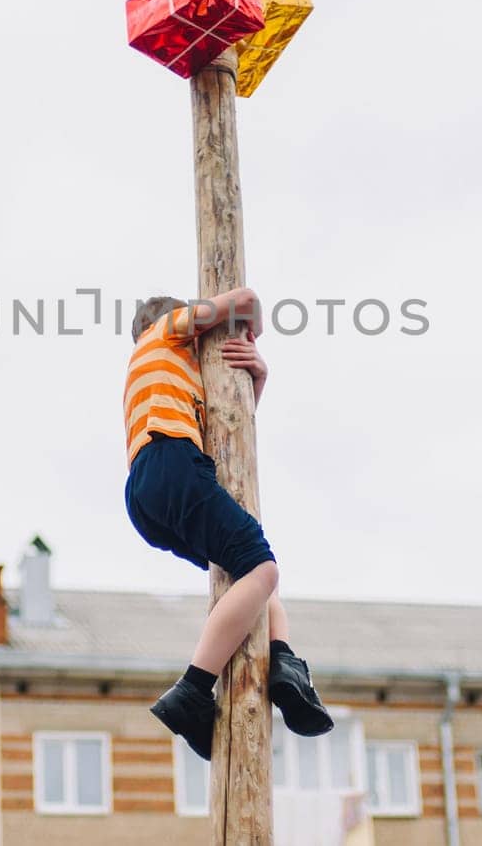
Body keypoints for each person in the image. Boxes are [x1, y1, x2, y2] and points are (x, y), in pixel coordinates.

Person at [122, 288, 333, 760]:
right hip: (172, 464)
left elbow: (232, 429)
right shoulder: (163, 332)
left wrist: (257, 376)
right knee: (264, 570)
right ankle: (194, 690)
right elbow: (246, 298)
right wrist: (246, 331)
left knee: (252, 578)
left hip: (148, 488)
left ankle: (283, 663)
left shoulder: (170, 383)